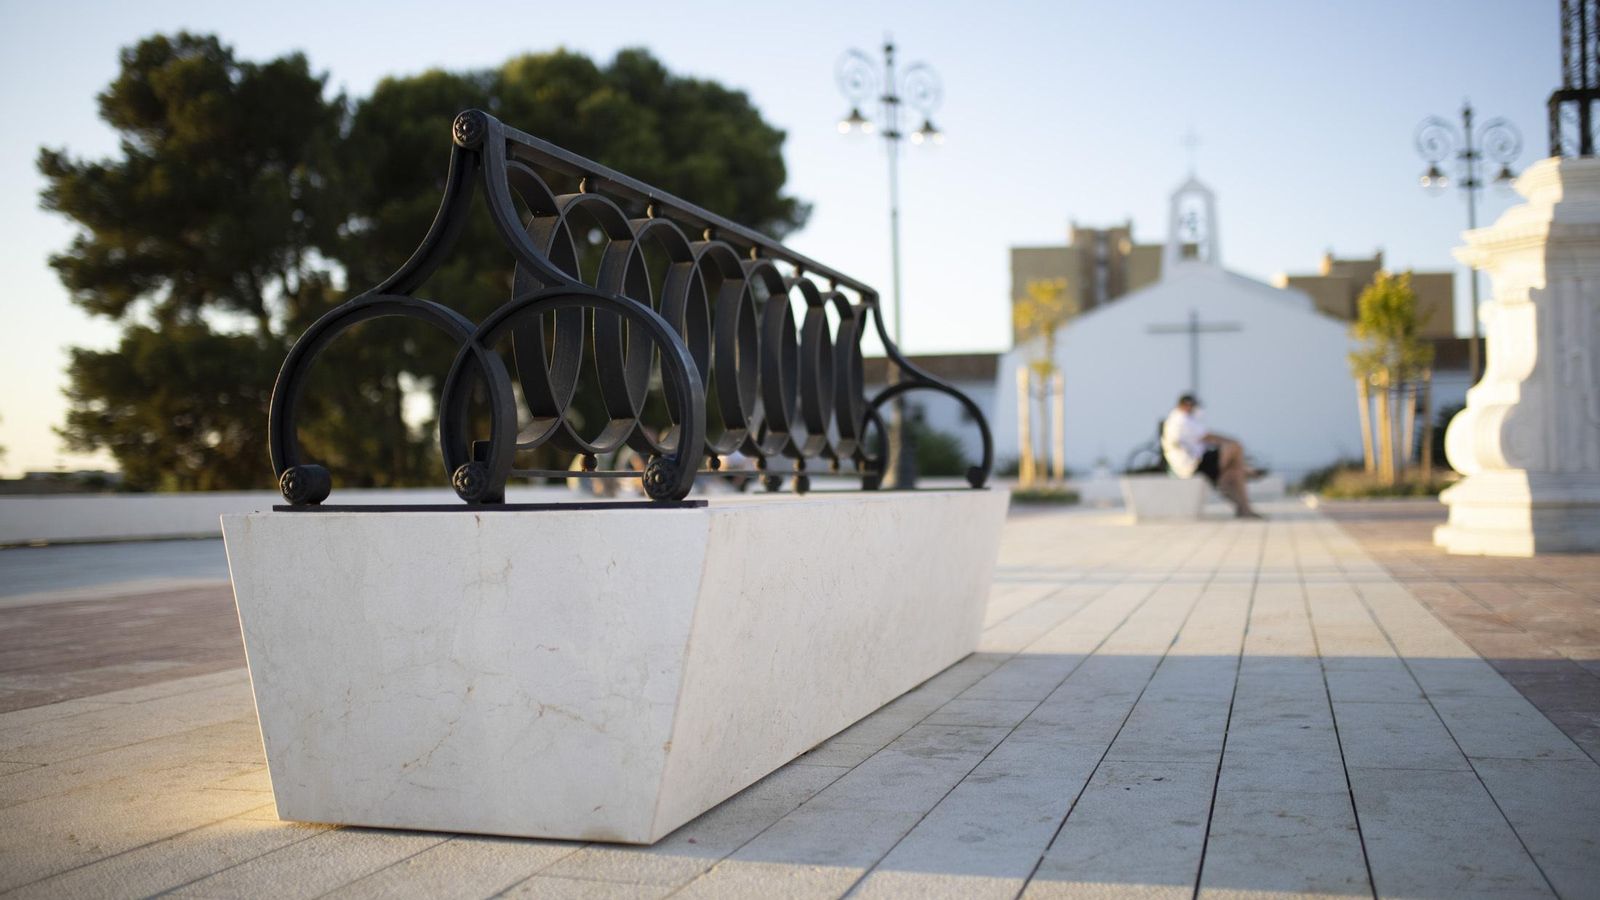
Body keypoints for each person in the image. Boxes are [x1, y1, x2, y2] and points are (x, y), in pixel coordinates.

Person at [1160, 393, 1262, 519]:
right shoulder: (1181, 419)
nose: (1195, 409)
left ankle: (1244, 507)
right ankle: (1245, 473)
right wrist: (1232, 441)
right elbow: (1208, 437)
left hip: (1194, 463)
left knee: (1234, 472)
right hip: (1194, 465)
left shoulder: (1176, 419)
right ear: (1187, 405)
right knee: (1236, 448)